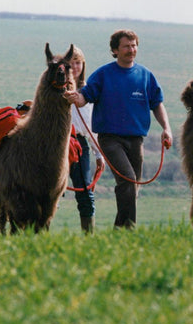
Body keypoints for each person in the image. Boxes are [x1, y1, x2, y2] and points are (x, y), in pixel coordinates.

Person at [64, 30, 172, 229]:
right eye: (126, 46)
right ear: (115, 50)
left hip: (136, 139)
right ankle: (129, 230)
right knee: (128, 180)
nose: (131, 50)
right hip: (110, 139)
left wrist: (166, 128)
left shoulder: (146, 76)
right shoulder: (103, 75)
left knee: (131, 187)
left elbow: (157, 104)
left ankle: (118, 230)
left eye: (134, 45)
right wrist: (74, 97)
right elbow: (83, 98)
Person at [68, 46, 105, 233]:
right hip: (58, 143)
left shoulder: (87, 91)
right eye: (71, 63)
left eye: (78, 62)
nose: (75, 66)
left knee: (84, 190)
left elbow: (90, 127)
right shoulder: (54, 90)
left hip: (79, 143)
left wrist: (99, 154)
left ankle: (88, 235)